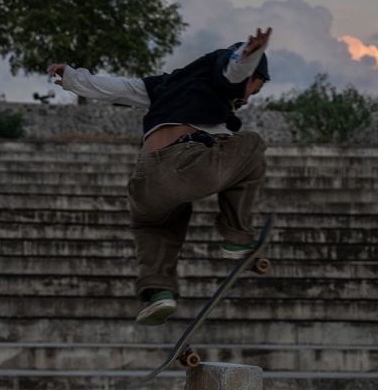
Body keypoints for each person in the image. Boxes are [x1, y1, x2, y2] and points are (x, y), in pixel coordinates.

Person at [48, 27, 273, 326]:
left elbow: (116, 89)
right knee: (252, 145)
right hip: (185, 162)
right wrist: (249, 54)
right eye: (253, 91)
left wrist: (73, 78)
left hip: (144, 178)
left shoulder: (164, 86)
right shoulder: (223, 77)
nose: (246, 100)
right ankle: (236, 235)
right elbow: (234, 71)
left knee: (156, 225)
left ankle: (159, 292)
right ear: (252, 78)